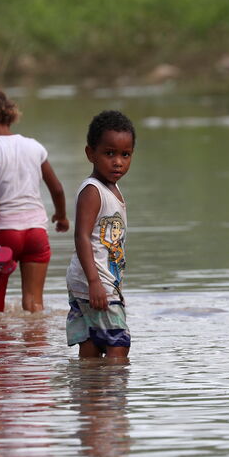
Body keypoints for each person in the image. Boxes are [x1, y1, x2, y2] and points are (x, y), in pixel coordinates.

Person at [0, 80, 68, 315]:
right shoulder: (34, 146)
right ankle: (38, 350)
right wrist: (61, 217)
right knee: (34, 306)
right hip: (37, 234)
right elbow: (58, 189)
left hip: (6, 234)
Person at [66, 110, 134, 359]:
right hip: (96, 281)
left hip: (92, 280)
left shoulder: (111, 188)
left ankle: (90, 393)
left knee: (92, 342)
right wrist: (95, 282)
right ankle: (114, 396)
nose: (118, 162)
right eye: (109, 154)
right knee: (119, 344)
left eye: (125, 155)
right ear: (90, 153)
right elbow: (81, 236)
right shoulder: (93, 191)